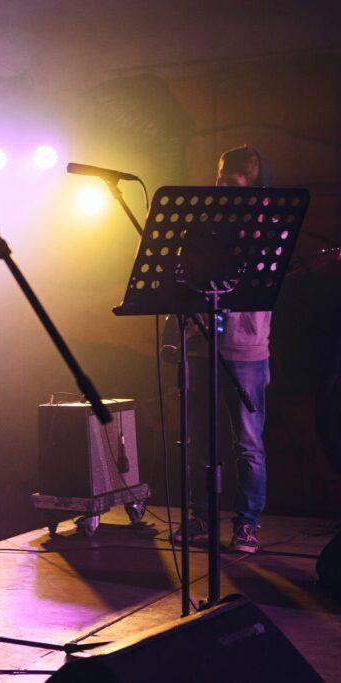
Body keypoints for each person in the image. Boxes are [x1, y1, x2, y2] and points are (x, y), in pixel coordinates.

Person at [170, 145, 275, 553]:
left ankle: (247, 523)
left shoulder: (269, 228)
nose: (223, 191)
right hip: (202, 341)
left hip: (247, 347)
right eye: (220, 182)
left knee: (248, 443)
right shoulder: (204, 223)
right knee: (197, 438)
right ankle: (198, 515)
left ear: (254, 187)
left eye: (233, 185)